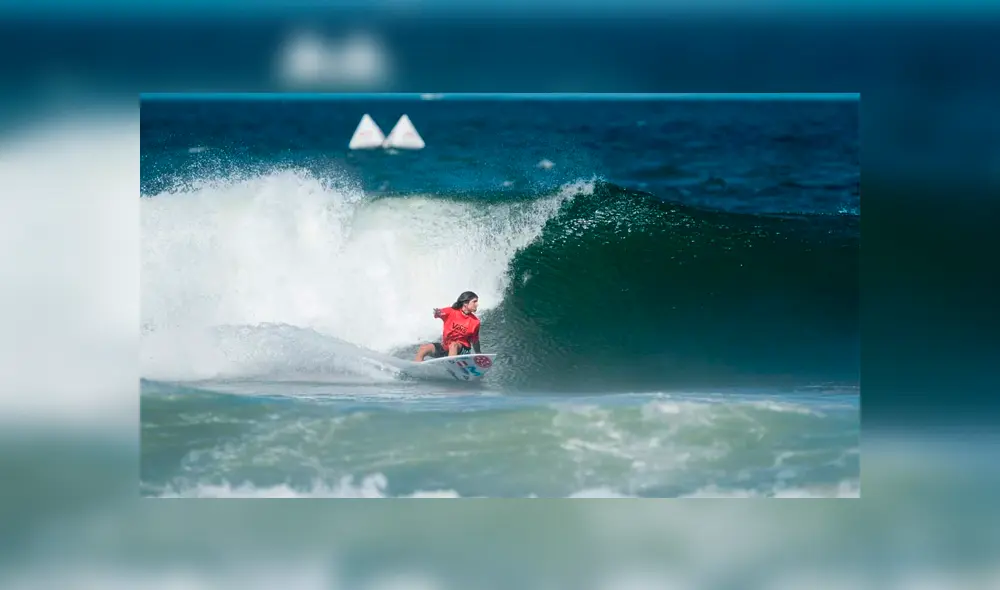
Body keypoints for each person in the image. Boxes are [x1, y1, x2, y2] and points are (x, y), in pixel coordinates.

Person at [415, 291, 482, 362]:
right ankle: (417, 369)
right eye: (474, 302)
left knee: (453, 345)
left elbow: (475, 341)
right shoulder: (451, 311)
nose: (477, 304)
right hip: (446, 347)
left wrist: (479, 354)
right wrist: (437, 312)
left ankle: (451, 368)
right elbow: (440, 312)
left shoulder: (475, 322)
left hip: (462, 350)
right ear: (465, 303)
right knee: (423, 349)